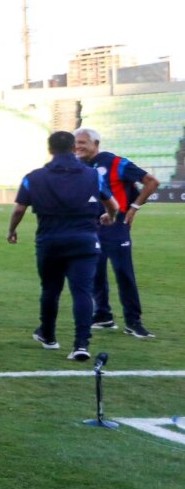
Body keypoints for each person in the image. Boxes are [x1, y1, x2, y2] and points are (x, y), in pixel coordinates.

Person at [9, 131, 118, 361]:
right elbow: (113, 204)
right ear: (72, 148)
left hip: (50, 241)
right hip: (85, 240)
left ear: (50, 149)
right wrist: (109, 216)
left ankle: (48, 335)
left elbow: (19, 209)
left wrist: (12, 230)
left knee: (50, 290)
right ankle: (81, 345)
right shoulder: (91, 175)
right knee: (82, 292)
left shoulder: (34, 177)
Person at [74, 127, 160, 338]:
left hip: (116, 226)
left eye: (83, 142)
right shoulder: (77, 166)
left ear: (96, 144)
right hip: (90, 226)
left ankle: (133, 321)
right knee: (96, 271)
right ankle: (103, 316)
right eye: (75, 143)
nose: (78, 147)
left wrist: (134, 208)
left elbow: (151, 182)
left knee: (123, 272)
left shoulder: (116, 163)